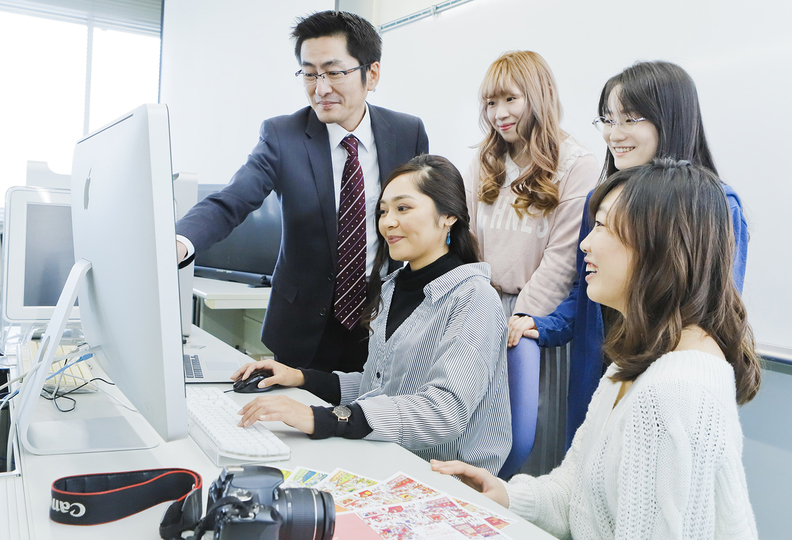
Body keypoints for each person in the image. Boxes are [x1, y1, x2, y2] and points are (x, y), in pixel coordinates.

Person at [432, 159, 761, 539]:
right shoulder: (639, 363)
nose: (586, 243)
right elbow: (577, 499)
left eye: (602, 226)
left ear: (661, 244)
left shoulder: (675, 392)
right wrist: (502, 494)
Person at [508, 61, 749, 448]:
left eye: (629, 119)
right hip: (599, 377)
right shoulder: (601, 200)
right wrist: (545, 325)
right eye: (606, 119)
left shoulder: (715, 206)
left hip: (666, 386)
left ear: (670, 120)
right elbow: (582, 292)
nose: (613, 134)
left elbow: (710, 313)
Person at [175, 11, 428, 373]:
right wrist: (180, 241)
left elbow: (425, 216)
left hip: (379, 323)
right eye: (309, 74)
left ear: (371, 74)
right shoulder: (283, 136)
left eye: (334, 72)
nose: (320, 88)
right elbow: (232, 200)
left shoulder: (408, 133)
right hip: (301, 329)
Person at [231, 155, 512, 475]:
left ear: (448, 216)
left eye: (402, 208)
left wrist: (323, 417)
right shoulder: (394, 288)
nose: (388, 222)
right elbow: (377, 385)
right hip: (385, 456)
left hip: (443, 476)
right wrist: (300, 377)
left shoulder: (475, 298)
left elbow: (444, 412)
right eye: (383, 211)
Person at [466, 50, 599, 473]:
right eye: (490, 103)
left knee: (530, 445)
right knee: (477, 441)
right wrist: (479, 310)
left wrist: (518, 324)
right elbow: (468, 242)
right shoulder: (486, 160)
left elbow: (563, 261)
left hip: (535, 322)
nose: (498, 114)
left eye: (510, 100)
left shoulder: (577, 163)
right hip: (483, 310)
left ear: (539, 96)